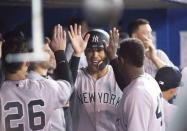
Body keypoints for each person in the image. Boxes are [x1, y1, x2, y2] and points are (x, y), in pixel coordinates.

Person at [0, 27, 73, 131]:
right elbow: (68, 85)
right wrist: (60, 52)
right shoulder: (43, 87)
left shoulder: (1, 92)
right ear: (27, 61)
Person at [68, 25, 123, 131]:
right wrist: (77, 53)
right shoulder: (78, 76)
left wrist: (113, 56)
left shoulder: (118, 75)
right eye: (90, 50)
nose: (94, 55)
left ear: (108, 51)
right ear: (85, 52)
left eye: (99, 50)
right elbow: (66, 85)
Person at [107, 38, 165, 131]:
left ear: (121, 61)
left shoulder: (137, 94)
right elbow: (127, 86)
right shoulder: (150, 80)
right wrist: (113, 58)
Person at [27, 25, 67, 131]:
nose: (52, 54)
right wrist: (61, 53)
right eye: (46, 51)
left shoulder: (49, 81)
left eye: (51, 50)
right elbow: (68, 85)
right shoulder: (34, 83)